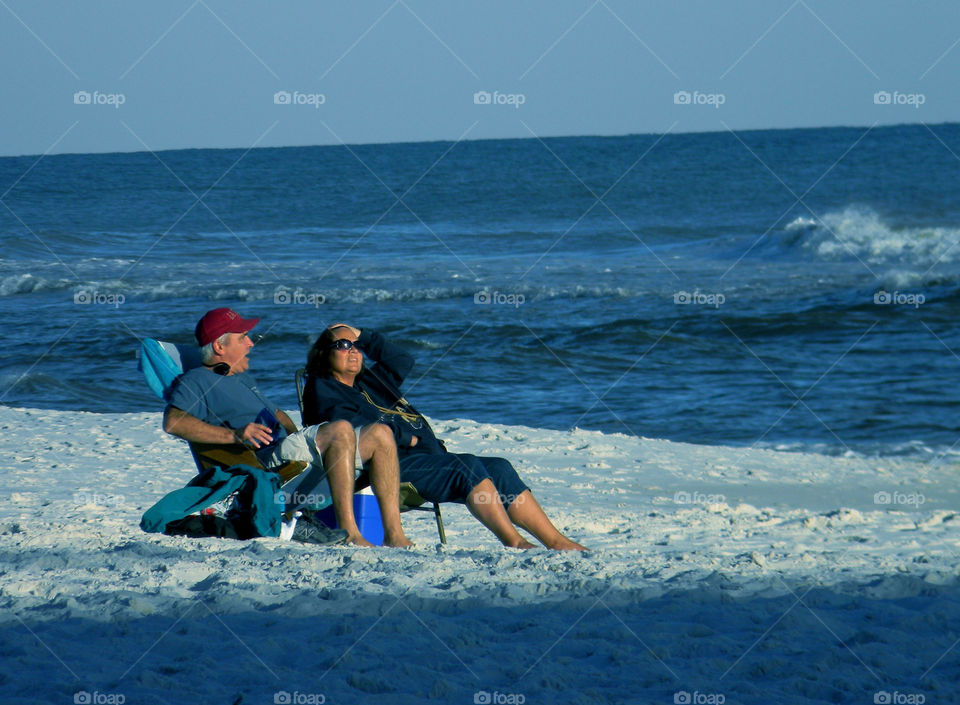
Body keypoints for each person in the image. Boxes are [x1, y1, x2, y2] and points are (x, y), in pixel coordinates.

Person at [302, 323, 586, 551]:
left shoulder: (371, 382)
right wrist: (406, 437)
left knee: (499, 467)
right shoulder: (323, 387)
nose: (353, 350)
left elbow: (402, 359)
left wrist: (363, 335)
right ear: (324, 354)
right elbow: (350, 431)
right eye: (342, 345)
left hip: (428, 458)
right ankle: (514, 542)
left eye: (356, 346)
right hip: (391, 467)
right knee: (465, 467)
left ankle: (555, 541)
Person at [162, 308, 414, 548]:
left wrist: (298, 436)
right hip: (265, 460)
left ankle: (394, 535)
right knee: (339, 430)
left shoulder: (240, 377)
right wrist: (235, 435)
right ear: (219, 346)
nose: (250, 344)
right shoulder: (197, 380)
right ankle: (350, 532)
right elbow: (173, 422)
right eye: (243, 337)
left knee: (381, 434)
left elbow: (278, 414)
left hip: (285, 447)